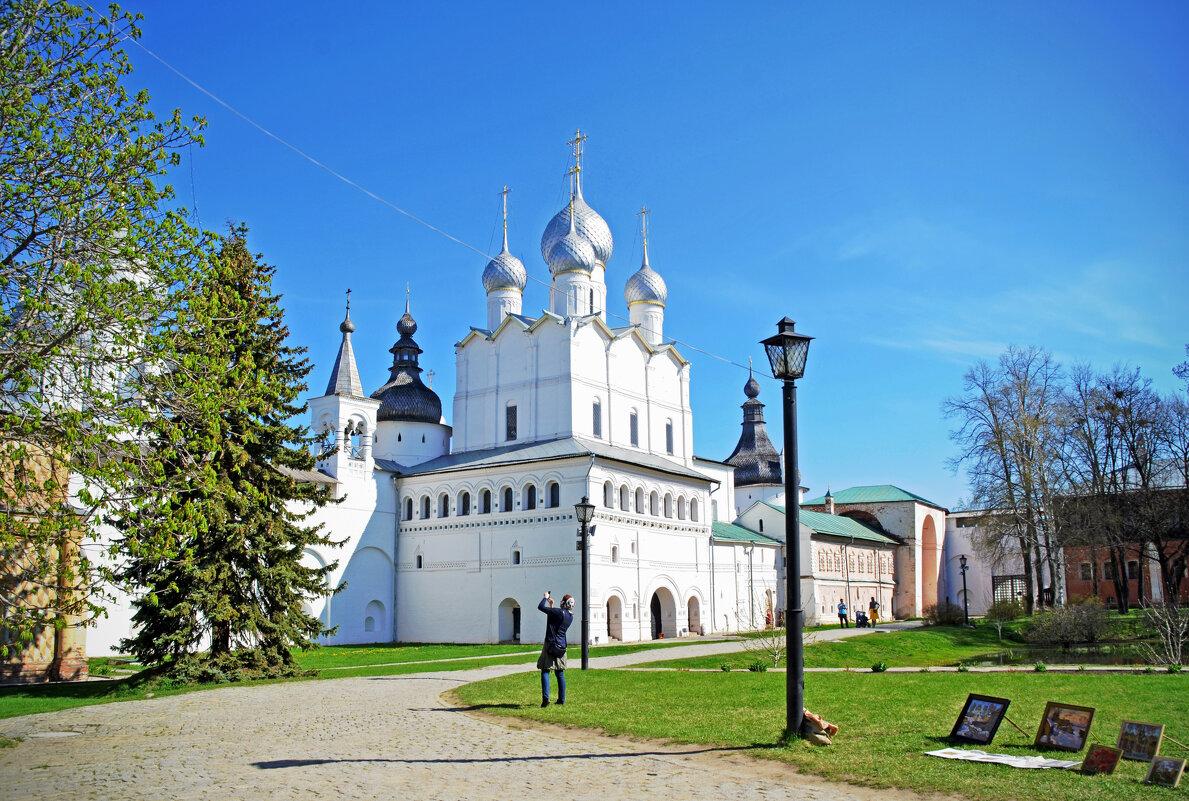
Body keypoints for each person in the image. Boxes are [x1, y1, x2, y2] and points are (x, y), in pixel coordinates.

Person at [537, 590, 573, 707]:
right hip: (561, 646)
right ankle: (561, 699)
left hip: (551, 644)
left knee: (545, 670)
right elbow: (554, 622)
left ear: (563, 603)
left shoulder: (558, 612)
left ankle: (546, 698)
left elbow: (541, 607)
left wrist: (545, 598)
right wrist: (551, 606)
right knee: (559, 673)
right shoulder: (569, 616)